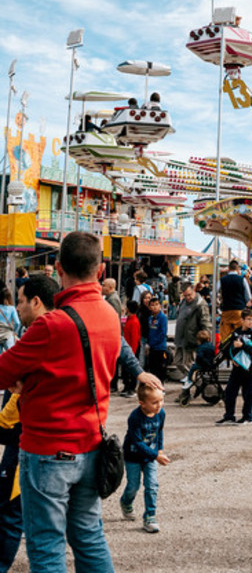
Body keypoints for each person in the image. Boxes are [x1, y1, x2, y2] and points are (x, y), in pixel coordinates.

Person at [0, 232, 121, 571]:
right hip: (91, 445)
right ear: (99, 270)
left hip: (48, 449)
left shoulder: (52, 324)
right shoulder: (111, 317)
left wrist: (26, 380)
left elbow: (3, 372)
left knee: (46, 545)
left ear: (57, 268)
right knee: (89, 536)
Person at [0, 273, 59, 572]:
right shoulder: (69, 331)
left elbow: (6, 380)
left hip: (30, 444)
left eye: (21, 302)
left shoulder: (40, 336)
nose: (18, 308)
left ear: (36, 302)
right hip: (66, 447)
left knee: (14, 517)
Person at [120, 383, 170, 533]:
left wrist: (159, 449)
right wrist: (156, 455)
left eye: (161, 400)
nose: (159, 405)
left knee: (152, 485)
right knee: (133, 486)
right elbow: (137, 442)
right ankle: (126, 502)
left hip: (151, 457)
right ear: (142, 403)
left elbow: (159, 431)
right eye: (154, 402)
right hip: (133, 456)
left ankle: (150, 516)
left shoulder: (160, 413)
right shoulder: (135, 417)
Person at [216, 308, 252, 426]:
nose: (251, 322)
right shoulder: (236, 332)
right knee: (230, 391)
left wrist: (243, 345)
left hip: (249, 368)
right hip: (237, 366)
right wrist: (232, 357)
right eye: (248, 319)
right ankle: (229, 415)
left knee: (248, 394)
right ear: (242, 320)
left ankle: (247, 416)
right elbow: (228, 347)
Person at [173, 281, 211, 377]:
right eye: (185, 296)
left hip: (191, 339)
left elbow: (205, 322)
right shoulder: (183, 302)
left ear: (193, 290)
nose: (187, 298)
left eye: (189, 295)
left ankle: (195, 380)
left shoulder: (200, 304)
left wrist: (205, 337)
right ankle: (192, 378)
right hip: (181, 338)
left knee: (188, 364)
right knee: (178, 362)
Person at [177, 329, 216, 403]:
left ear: (199, 340)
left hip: (202, 365)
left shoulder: (201, 347)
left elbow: (199, 357)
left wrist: (198, 362)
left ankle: (189, 379)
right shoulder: (211, 346)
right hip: (210, 364)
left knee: (192, 368)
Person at [219, 260, 252, 340]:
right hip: (239, 310)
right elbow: (248, 296)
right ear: (238, 269)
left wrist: (219, 301)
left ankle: (226, 351)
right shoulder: (242, 279)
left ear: (228, 269)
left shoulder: (222, 280)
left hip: (226, 310)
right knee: (239, 335)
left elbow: (213, 293)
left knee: (225, 336)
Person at [146, 298, 169, 384]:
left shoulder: (162, 318)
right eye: (152, 305)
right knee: (152, 369)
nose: (155, 307)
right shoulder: (150, 318)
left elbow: (163, 333)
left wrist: (154, 342)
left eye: (156, 304)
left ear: (160, 306)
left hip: (160, 348)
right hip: (152, 348)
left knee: (160, 370)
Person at [122, 300, 141, 397]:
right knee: (126, 370)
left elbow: (134, 339)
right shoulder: (129, 319)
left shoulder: (133, 321)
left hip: (132, 348)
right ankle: (127, 387)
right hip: (129, 347)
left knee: (131, 371)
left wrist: (132, 352)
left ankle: (132, 388)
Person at [0, 289, 20, 355]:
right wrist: (15, 332)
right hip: (8, 335)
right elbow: (17, 323)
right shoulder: (12, 308)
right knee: (12, 355)